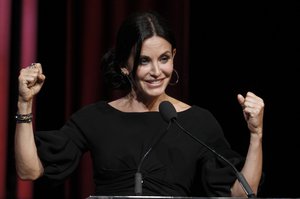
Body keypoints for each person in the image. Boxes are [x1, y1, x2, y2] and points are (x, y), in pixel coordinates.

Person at [15, 11, 264, 197]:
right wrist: (24, 104)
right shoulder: (96, 118)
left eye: (164, 58)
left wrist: (256, 134)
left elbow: (242, 194)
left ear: (174, 57)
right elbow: (29, 171)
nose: (157, 71)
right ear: (125, 65)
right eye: (144, 61)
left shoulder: (198, 122)